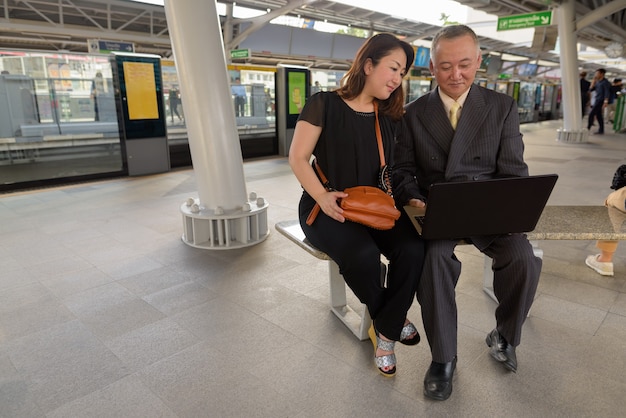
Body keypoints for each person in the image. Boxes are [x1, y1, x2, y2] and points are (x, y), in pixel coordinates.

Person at [394, 25, 542, 401]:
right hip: (438, 208)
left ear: (479, 62)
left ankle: (505, 335)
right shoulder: (413, 113)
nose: (455, 74)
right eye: (445, 66)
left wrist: (512, 204)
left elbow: (514, 171)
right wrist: (412, 196)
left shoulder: (501, 107)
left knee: (522, 257)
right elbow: (403, 171)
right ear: (431, 67)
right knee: (433, 260)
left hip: (489, 205)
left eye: (464, 64)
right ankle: (444, 358)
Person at [288, 33, 424, 377]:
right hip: (327, 206)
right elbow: (298, 157)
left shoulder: (390, 115)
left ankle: (385, 323)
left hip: (375, 206)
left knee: (412, 248)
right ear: (368, 64)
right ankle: (389, 328)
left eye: (402, 72)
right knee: (362, 256)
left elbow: (396, 169)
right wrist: (321, 195)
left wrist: (410, 196)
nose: (397, 78)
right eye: (392, 68)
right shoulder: (324, 104)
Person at [587, 68, 611, 135]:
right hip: (597, 99)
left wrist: (605, 101)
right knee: (599, 116)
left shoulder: (605, 82)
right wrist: (593, 82)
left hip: (601, 100)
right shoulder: (598, 82)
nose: (596, 75)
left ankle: (588, 128)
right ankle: (601, 130)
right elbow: (590, 90)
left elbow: (607, 92)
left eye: (597, 73)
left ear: (602, 74)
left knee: (591, 114)